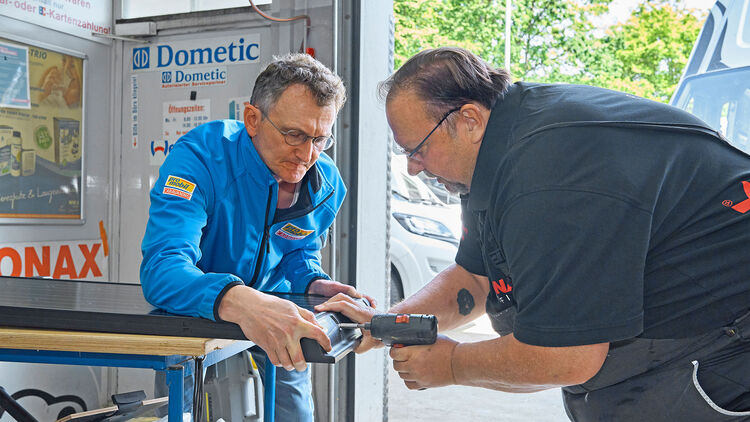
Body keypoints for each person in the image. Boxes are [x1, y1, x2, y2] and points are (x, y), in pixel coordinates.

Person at [317, 47, 750, 421]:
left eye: (417, 149)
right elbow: (475, 280)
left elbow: (567, 355)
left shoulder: (549, 173)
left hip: (724, 343)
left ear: (468, 120)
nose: (412, 166)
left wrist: (451, 364)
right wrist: (385, 325)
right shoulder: (498, 151)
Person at [141, 52, 373, 421]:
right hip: (193, 312)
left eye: (319, 139)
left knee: (295, 413)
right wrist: (241, 302)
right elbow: (163, 269)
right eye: (294, 134)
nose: (306, 154)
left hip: (278, 312)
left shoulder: (325, 183)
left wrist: (312, 281)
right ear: (252, 119)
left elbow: (298, 251)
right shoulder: (199, 159)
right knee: (183, 412)